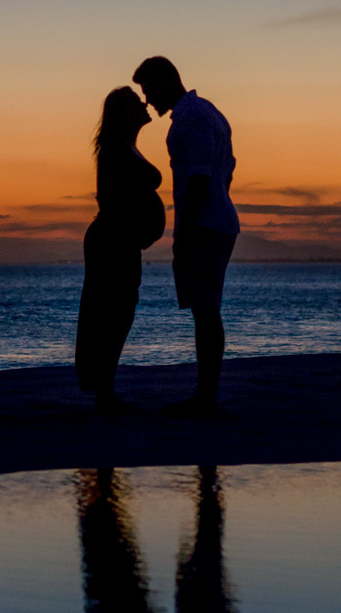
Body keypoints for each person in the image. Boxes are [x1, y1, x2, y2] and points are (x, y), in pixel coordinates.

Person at [132, 57, 239, 416]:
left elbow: (201, 176)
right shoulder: (208, 112)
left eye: (148, 91)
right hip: (217, 220)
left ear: (163, 82)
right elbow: (228, 172)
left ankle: (206, 397)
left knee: (206, 311)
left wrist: (186, 229)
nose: (147, 101)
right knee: (205, 309)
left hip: (206, 225)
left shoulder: (191, 118)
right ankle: (205, 393)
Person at [75, 86, 165, 414]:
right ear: (126, 112)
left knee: (119, 311)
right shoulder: (116, 148)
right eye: (136, 101)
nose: (145, 103)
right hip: (112, 241)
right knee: (112, 311)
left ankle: (105, 389)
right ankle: (104, 392)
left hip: (120, 239)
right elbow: (139, 185)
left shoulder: (126, 145)